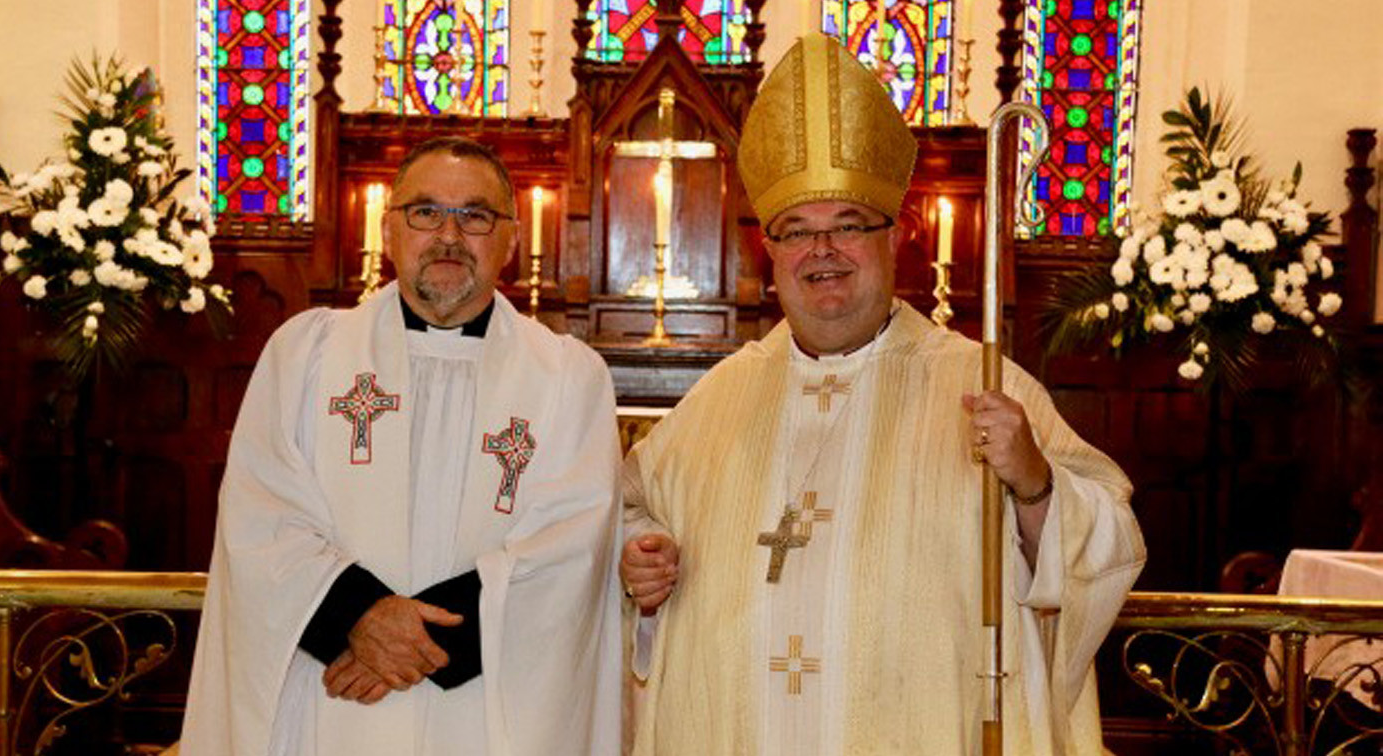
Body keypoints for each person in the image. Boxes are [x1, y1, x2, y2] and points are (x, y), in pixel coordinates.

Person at [620, 34, 1146, 755]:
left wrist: (1035, 485)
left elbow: (1111, 538)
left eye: (848, 227)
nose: (822, 251)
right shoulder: (717, 402)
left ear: (894, 235)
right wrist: (637, 556)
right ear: (768, 251)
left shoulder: (984, 383)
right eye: (797, 232)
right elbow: (632, 507)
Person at [181, 137, 622, 756]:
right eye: (425, 212)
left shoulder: (567, 376)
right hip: (330, 689)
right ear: (388, 231)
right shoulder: (306, 354)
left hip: (483, 703)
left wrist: (408, 644)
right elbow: (262, 515)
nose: (449, 235)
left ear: (511, 241)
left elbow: (571, 546)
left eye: (475, 215)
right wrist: (356, 619)